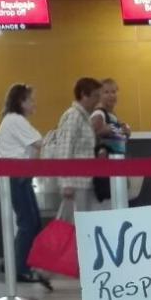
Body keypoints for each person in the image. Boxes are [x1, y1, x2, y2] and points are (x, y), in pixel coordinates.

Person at [0, 83, 52, 288]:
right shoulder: (16, 120)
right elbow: (41, 144)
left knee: (32, 222)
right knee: (29, 223)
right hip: (17, 176)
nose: (34, 103)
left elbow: (36, 147)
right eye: (31, 100)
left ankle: (14, 263)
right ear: (21, 102)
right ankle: (19, 267)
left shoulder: (13, 120)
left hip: (20, 176)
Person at [46, 77, 105, 211]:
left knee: (79, 225)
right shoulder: (73, 116)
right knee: (74, 226)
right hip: (75, 184)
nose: (98, 100)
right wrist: (66, 183)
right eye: (95, 96)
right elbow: (65, 149)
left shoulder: (84, 118)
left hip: (84, 182)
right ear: (84, 95)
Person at [90, 78, 142, 203]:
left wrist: (124, 132)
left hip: (117, 163)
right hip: (107, 167)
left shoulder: (112, 115)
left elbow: (115, 134)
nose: (111, 95)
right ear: (99, 95)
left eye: (113, 92)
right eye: (106, 92)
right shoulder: (99, 113)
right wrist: (112, 129)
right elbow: (93, 132)